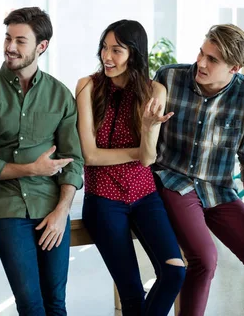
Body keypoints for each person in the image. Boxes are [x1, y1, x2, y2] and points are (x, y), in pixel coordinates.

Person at [0, 7, 84, 316]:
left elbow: (73, 161)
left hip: (50, 205)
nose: (10, 47)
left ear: (41, 46)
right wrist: (30, 169)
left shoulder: (60, 95)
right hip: (5, 208)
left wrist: (61, 211)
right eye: (7, 38)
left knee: (56, 302)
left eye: (20, 40)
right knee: (31, 304)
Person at [152, 24, 244, 316]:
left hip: (218, 190)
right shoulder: (168, 78)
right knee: (205, 259)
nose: (201, 62)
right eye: (201, 52)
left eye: (212, 60)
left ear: (235, 68)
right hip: (173, 180)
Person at [75, 20, 185, 316]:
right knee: (133, 296)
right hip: (103, 200)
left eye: (116, 50)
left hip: (145, 195)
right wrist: (140, 148)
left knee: (175, 272)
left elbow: (148, 160)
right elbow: (91, 156)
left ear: (134, 54)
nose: (106, 57)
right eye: (104, 48)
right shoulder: (88, 86)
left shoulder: (155, 91)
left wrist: (148, 128)